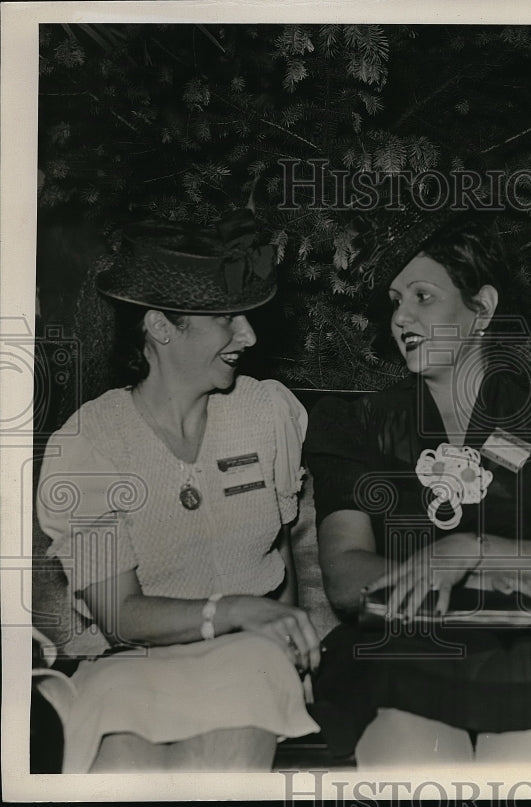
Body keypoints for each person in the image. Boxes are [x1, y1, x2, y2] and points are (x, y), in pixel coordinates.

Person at [304, 211, 531, 766]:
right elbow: (347, 577)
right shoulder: (360, 423)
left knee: (528, 756)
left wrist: (467, 551)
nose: (401, 316)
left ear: (483, 309)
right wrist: (487, 569)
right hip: (400, 646)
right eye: (396, 300)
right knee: (411, 752)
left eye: (423, 297)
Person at [35, 210, 321, 772]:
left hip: (248, 659)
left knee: (218, 765)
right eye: (228, 319)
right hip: (130, 661)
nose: (250, 336)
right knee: (125, 768)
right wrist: (237, 609)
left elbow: (280, 552)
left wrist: (292, 648)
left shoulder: (270, 413)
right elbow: (117, 614)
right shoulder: (85, 445)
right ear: (160, 327)